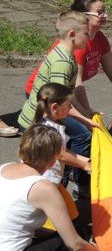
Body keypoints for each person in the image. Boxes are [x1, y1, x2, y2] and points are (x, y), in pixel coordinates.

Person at [23, 0, 112, 192]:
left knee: (58, 146)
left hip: (57, 104)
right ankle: (69, 185)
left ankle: (62, 184)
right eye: (100, 12)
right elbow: (68, 91)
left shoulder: (87, 42)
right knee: (70, 141)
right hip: (44, 107)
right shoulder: (66, 58)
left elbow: (107, 68)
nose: (106, 15)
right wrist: (85, 117)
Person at [0, 125, 99, 251]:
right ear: (54, 159)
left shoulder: (4, 169)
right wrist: (95, 249)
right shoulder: (43, 188)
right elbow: (74, 243)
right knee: (77, 234)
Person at [31, 83, 94, 228]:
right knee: (56, 213)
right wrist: (85, 165)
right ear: (54, 107)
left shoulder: (48, 124)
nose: (70, 110)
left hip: (50, 180)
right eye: (68, 107)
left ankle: (69, 227)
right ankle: (60, 232)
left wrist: (87, 161)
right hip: (46, 181)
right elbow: (61, 155)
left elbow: (63, 153)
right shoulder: (50, 131)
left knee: (68, 210)